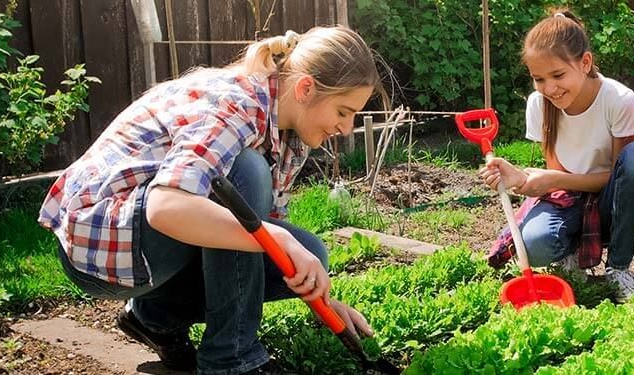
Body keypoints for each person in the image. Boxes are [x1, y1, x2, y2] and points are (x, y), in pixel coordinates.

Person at [38, 26, 385, 374]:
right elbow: (165, 207)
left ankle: (153, 316)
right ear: (306, 88)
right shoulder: (234, 105)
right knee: (245, 173)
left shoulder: (291, 134)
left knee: (309, 254)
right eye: (343, 111)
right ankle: (231, 360)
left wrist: (321, 300)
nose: (346, 127)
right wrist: (274, 236)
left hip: (147, 247)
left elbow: (264, 233)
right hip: (102, 242)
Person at [480, 9, 634, 300]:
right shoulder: (539, 104)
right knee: (534, 244)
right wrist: (520, 178)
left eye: (558, 75)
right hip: (570, 196)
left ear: (585, 63)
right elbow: (557, 180)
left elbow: (623, 176)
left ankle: (619, 267)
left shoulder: (618, 100)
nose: (550, 88)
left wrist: (552, 179)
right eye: (539, 79)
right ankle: (568, 254)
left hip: (615, 200)